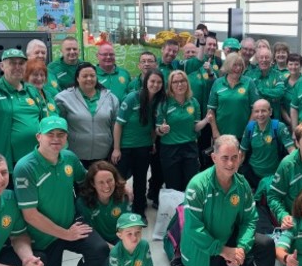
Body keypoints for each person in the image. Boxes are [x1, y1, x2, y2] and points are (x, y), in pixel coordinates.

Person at [175, 135, 285, 266]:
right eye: (225, 158)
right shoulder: (197, 186)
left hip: (227, 237)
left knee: (266, 244)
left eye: (235, 157)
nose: (230, 163)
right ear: (214, 158)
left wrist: (241, 247)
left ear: (240, 157)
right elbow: (193, 229)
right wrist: (223, 250)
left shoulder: (242, 185)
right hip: (201, 246)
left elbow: (250, 220)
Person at [13, 116, 109, 266]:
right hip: (43, 236)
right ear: (39, 137)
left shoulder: (70, 158)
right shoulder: (25, 168)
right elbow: (30, 215)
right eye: (51, 134)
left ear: (66, 138)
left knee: (99, 249)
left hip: (70, 222)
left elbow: (87, 182)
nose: (56, 138)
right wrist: (65, 234)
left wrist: (120, 186)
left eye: (61, 134)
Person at [112, 70, 165, 216]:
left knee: (140, 181)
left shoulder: (159, 101)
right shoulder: (132, 98)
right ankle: (118, 211)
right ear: (146, 82)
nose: (155, 85)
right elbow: (118, 124)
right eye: (152, 81)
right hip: (125, 147)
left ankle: (139, 211)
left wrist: (152, 143)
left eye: (159, 82)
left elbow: (154, 127)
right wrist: (116, 149)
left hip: (144, 146)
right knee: (120, 181)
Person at [0, 49, 45, 172]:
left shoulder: (32, 91)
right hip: (5, 160)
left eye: (21, 63)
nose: (17, 67)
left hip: (35, 158)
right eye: (12, 63)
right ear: (2, 66)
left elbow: (44, 121)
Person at [156, 70, 212, 192]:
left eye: (182, 81)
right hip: (170, 150)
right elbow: (157, 130)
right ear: (170, 85)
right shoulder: (164, 103)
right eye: (175, 82)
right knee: (173, 185)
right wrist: (161, 129)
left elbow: (195, 127)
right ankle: (176, 211)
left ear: (187, 83)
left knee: (191, 184)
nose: (179, 84)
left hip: (190, 148)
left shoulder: (194, 102)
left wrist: (206, 120)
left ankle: (189, 210)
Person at [55, 62, 119, 169]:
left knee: (99, 184)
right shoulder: (63, 98)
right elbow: (60, 126)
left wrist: (116, 148)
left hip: (103, 154)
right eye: (84, 76)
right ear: (77, 78)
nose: (89, 79)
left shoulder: (110, 98)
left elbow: (115, 125)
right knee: (79, 184)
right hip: (75, 154)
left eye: (92, 76)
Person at [76, 160, 133, 247]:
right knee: (100, 250)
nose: (106, 186)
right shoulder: (83, 203)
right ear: (93, 183)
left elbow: (128, 226)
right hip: (97, 243)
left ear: (115, 179)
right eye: (101, 182)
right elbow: (88, 234)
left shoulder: (123, 196)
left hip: (119, 239)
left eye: (109, 180)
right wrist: (111, 248)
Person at [240, 99, 295, 187]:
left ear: (270, 112)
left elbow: (291, 150)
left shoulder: (278, 127)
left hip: (275, 174)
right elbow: (241, 154)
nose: (260, 114)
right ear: (253, 113)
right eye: (257, 111)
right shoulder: (250, 128)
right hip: (253, 174)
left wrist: (298, 164)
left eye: (263, 111)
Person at [208, 52, 259, 140]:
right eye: (234, 65)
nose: (238, 68)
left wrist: (248, 130)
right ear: (228, 66)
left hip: (243, 135)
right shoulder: (218, 83)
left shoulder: (249, 82)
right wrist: (215, 131)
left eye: (240, 65)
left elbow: (255, 109)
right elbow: (210, 110)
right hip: (221, 134)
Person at [189, 34, 222, 170]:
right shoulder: (193, 64)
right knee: (197, 143)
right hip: (195, 112)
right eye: (209, 44)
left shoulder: (219, 63)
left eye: (214, 45)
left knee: (211, 143)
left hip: (212, 113)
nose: (212, 47)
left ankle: (209, 168)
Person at [247, 48, 286, 120]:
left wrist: (259, 90)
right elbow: (248, 95)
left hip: (274, 117)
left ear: (271, 59)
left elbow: (280, 92)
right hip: (253, 116)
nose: (264, 60)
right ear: (257, 59)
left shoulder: (278, 75)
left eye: (267, 57)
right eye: (261, 57)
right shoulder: (250, 75)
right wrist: (271, 95)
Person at [281, 52, 302, 128]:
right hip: (286, 124)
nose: (293, 67)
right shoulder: (282, 84)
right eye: (290, 64)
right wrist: (290, 121)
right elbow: (281, 106)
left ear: (301, 66)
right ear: (287, 66)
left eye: (296, 64)